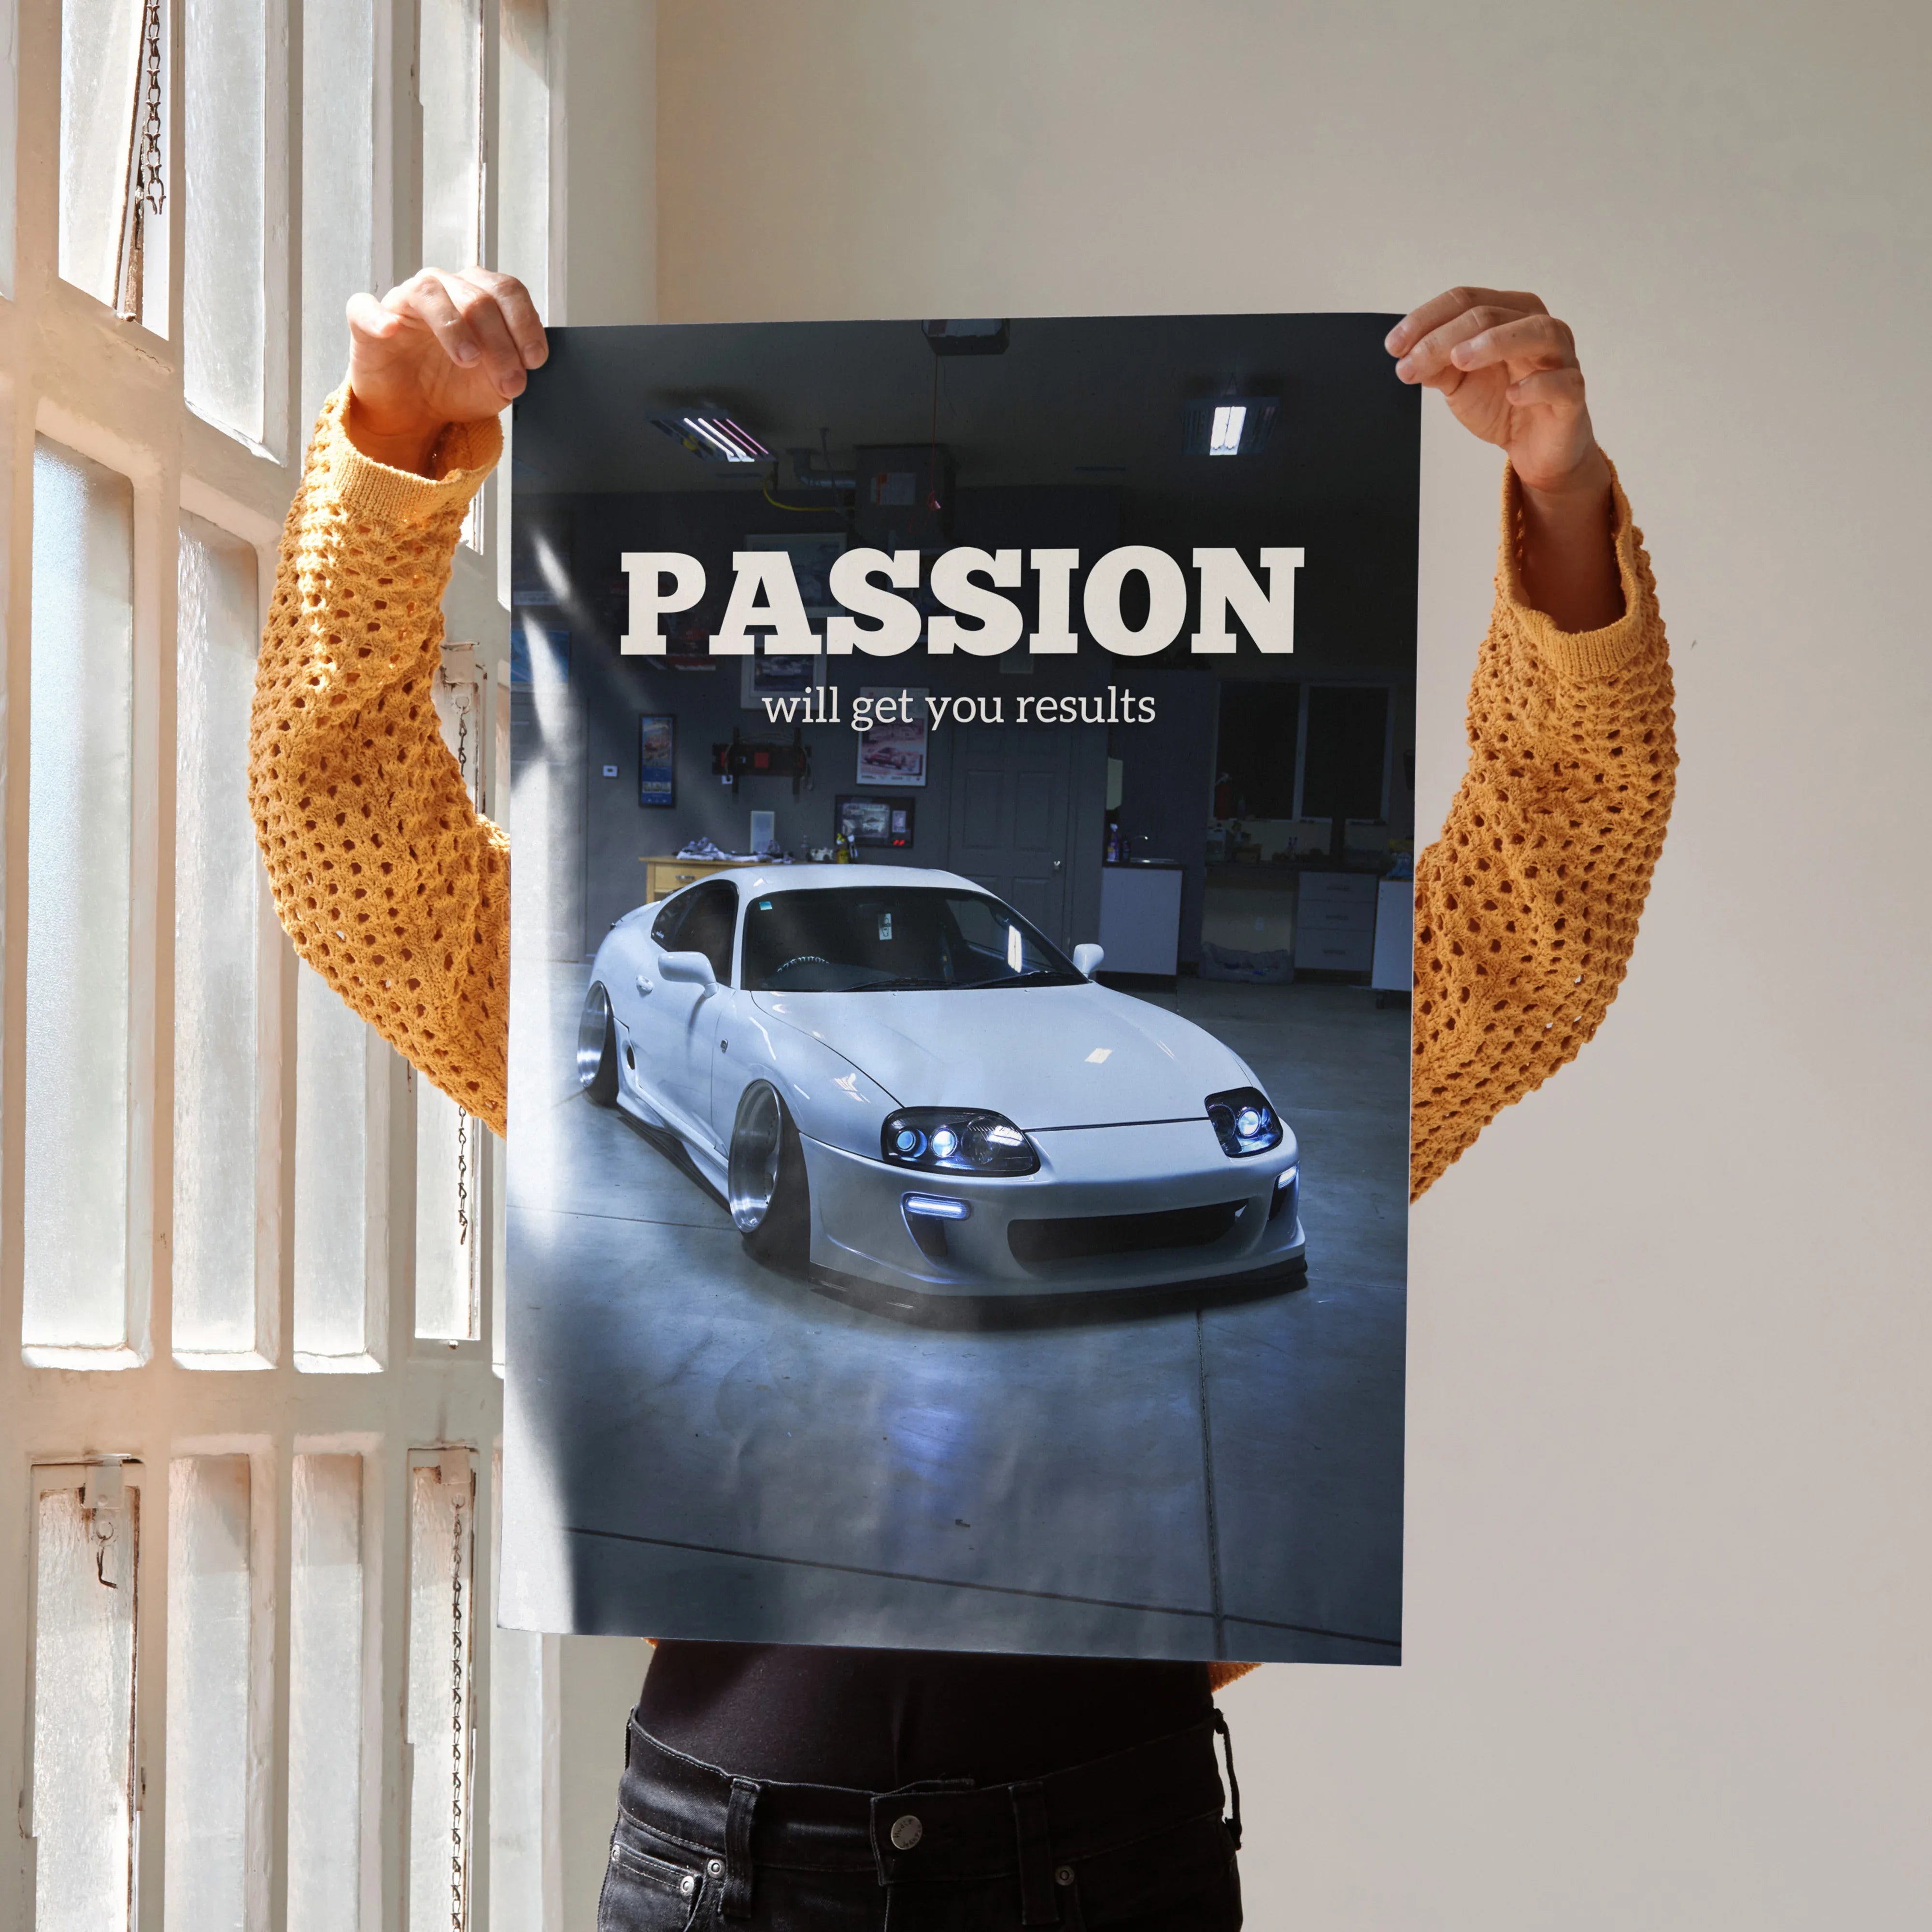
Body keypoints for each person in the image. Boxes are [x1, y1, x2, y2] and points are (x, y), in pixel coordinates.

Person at [250, 269, 1675, 1930]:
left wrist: (1561, 499)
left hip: (1111, 1850)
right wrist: (392, 443)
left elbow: (1543, 914)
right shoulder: (653, 1004)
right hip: (732, 1862)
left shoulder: (1122, 1029)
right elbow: (347, 841)